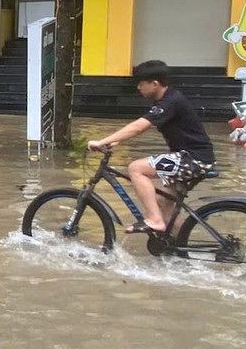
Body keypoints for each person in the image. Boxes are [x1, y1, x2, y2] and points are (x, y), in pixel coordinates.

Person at [87, 59, 216, 234]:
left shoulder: (169, 102)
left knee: (136, 168)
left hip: (193, 159)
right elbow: (139, 129)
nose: (138, 88)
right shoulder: (169, 98)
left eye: (141, 83)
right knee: (163, 203)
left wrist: (101, 142)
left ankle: (154, 220)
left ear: (154, 84)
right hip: (196, 158)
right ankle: (177, 248)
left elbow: (138, 126)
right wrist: (114, 141)